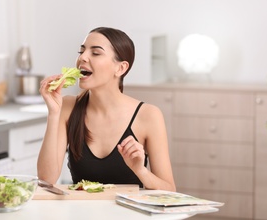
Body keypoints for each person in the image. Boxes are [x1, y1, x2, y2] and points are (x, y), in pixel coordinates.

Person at [37, 27, 176, 191]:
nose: (82, 57)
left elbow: (169, 190)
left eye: (95, 53)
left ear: (121, 68)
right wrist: (53, 113)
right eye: (81, 51)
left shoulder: (148, 115)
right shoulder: (67, 107)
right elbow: (47, 178)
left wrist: (140, 170)